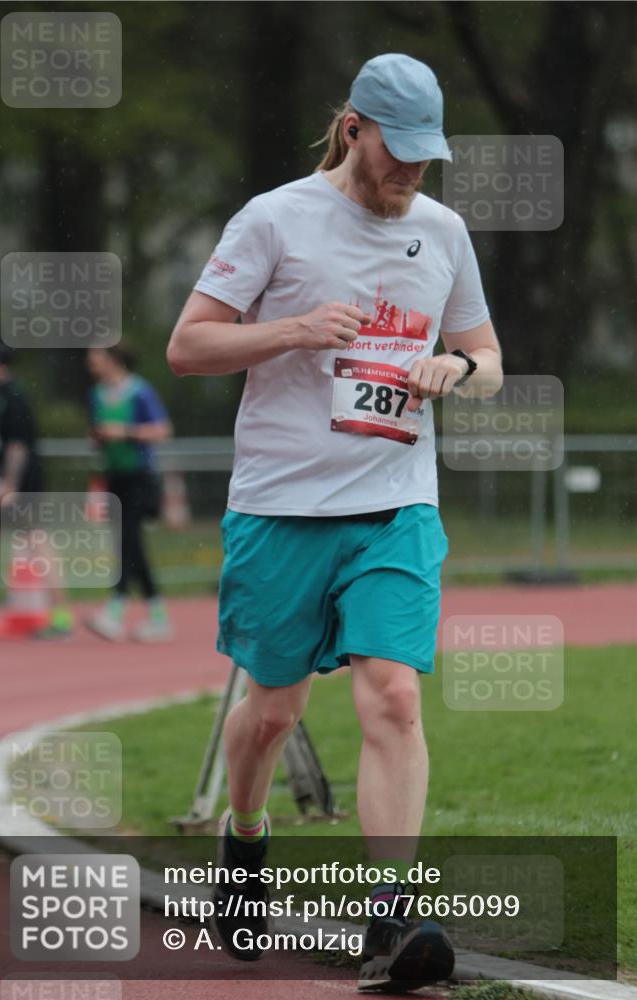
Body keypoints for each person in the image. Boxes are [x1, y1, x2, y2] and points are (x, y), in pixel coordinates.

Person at [168, 53, 503, 991]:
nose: (410, 176)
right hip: (279, 506)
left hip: (394, 501)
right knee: (271, 714)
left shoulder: (441, 230)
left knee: (393, 694)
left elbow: (486, 352)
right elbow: (188, 345)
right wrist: (291, 329)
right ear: (353, 128)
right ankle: (244, 841)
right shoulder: (273, 218)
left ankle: (390, 922)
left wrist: (458, 371)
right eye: (398, 155)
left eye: (426, 160)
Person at [0, 340, 73, 638]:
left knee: (38, 545)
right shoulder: (1, 396)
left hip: (19, 486)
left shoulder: (15, 396)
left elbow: (18, 444)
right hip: (4, 484)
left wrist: (10, 485)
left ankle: (61, 615)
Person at [85, 344, 174, 642]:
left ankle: (116, 610)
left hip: (140, 477)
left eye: (95, 357)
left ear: (113, 360)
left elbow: (162, 430)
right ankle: (157, 614)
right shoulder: (95, 393)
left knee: (128, 540)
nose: (90, 363)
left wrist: (123, 431)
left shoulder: (139, 391)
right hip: (114, 476)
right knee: (131, 544)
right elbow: (97, 432)